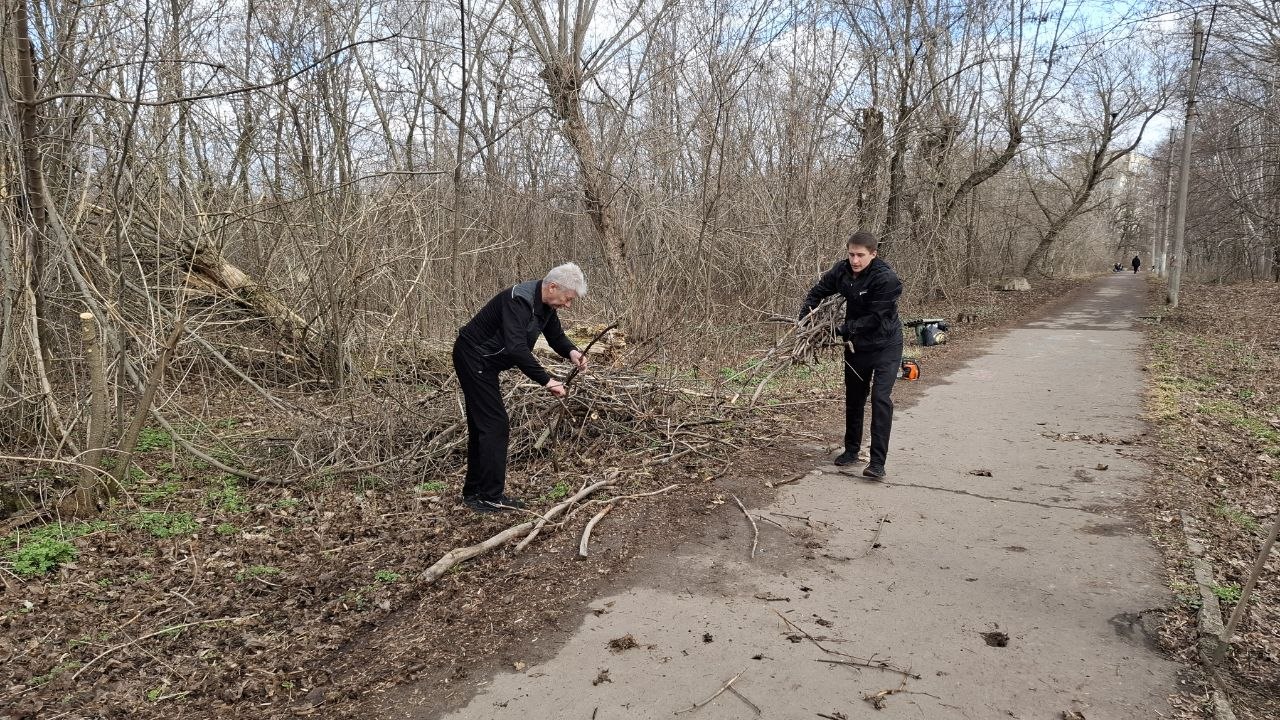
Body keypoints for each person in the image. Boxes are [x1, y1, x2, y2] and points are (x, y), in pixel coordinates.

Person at [453, 263, 589, 513]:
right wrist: (547, 380)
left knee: (482, 426)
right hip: (473, 358)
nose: (568, 305)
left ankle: (474, 493)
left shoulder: (545, 305)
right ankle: (490, 496)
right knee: (495, 425)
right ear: (552, 287)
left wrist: (572, 352)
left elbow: (556, 336)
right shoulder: (519, 301)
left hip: (485, 362)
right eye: (567, 299)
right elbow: (516, 348)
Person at [799, 231, 904, 479]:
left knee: (880, 398)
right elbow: (818, 291)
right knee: (854, 397)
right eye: (851, 254)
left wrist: (840, 330)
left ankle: (877, 463)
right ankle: (851, 451)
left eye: (860, 255)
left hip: (885, 344)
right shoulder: (842, 271)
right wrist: (805, 319)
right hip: (856, 345)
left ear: (873, 254)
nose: (855, 260)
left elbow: (876, 318)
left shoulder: (886, 279)